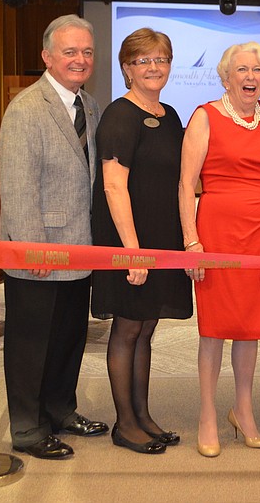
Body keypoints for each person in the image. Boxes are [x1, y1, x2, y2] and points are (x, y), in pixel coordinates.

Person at [0, 14, 108, 460]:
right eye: (70, 52)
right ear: (47, 56)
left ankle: (61, 410)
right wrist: (31, 246)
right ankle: (27, 427)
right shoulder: (26, 109)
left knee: (68, 337)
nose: (80, 60)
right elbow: (18, 183)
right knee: (31, 342)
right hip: (40, 250)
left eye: (86, 52)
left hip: (79, 248)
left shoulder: (92, 106)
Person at [179, 42, 260, 458]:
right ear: (225, 77)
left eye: (258, 69)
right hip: (218, 231)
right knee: (215, 327)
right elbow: (187, 184)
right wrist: (191, 241)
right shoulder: (205, 117)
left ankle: (243, 410)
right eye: (241, 69)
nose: (250, 76)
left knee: (250, 326)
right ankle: (207, 413)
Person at [90, 28, 193, 455]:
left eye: (162, 59)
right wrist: (133, 251)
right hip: (128, 239)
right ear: (127, 67)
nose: (154, 67)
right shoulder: (119, 114)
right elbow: (114, 188)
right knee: (128, 326)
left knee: (146, 326)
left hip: (161, 237)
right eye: (143, 60)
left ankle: (143, 415)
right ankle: (125, 423)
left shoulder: (169, 114)